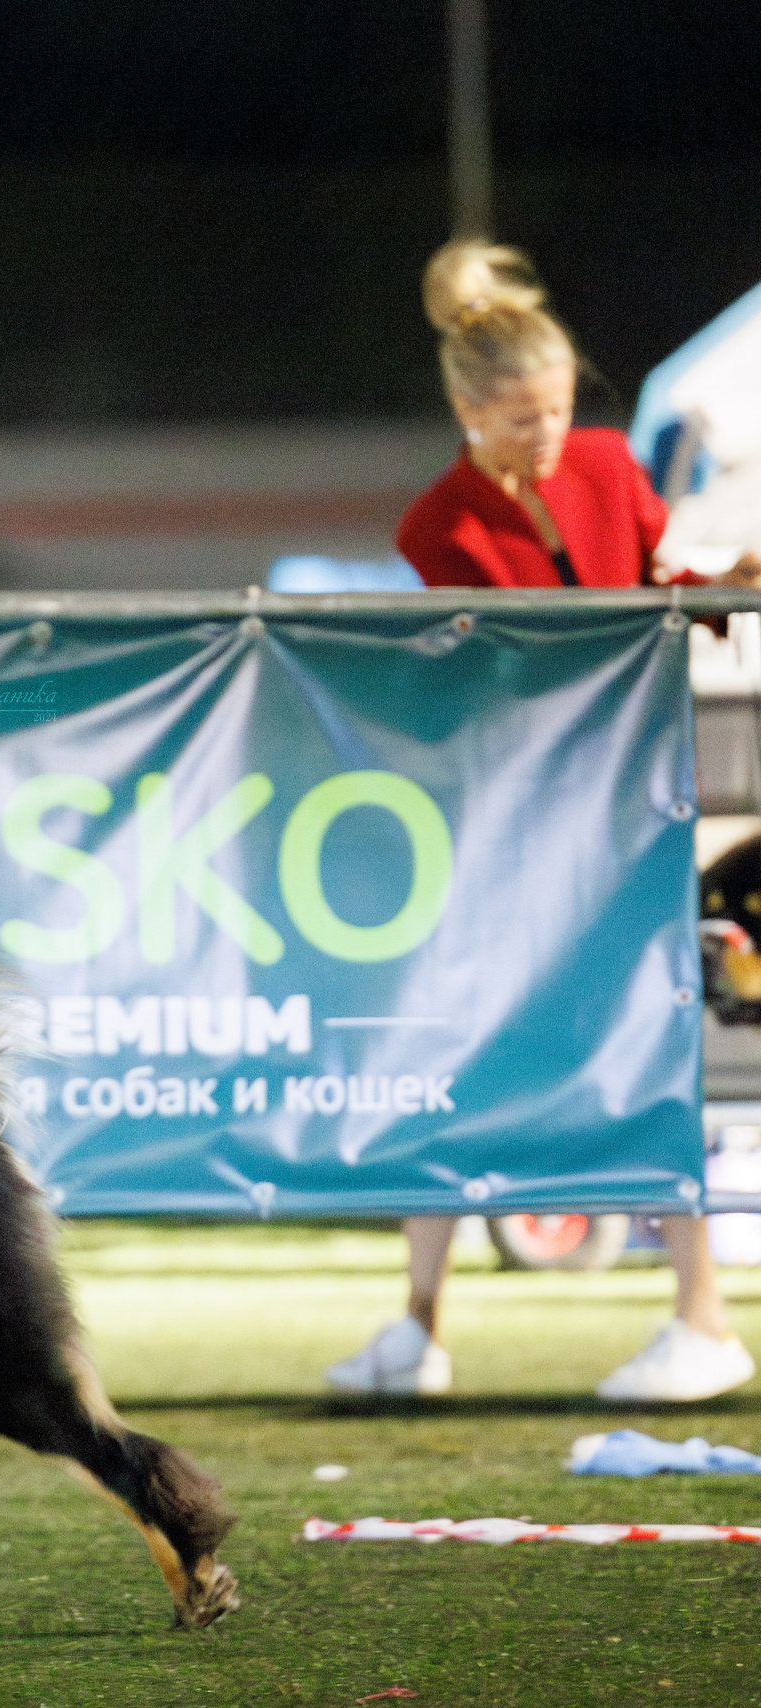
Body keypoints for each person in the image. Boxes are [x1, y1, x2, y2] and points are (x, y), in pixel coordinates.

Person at [337, 241, 753, 1402]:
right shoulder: (437, 523)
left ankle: (702, 1316)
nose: (550, 435)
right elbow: (490, 663)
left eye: (561, 410)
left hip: (628, 805)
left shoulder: (612, 466)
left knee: (649, 1044)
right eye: (524, 419)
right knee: (443, 1045)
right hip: (508, 821)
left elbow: (649, 593)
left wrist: (722, 583)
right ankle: (415, 1326)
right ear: (468, 414)